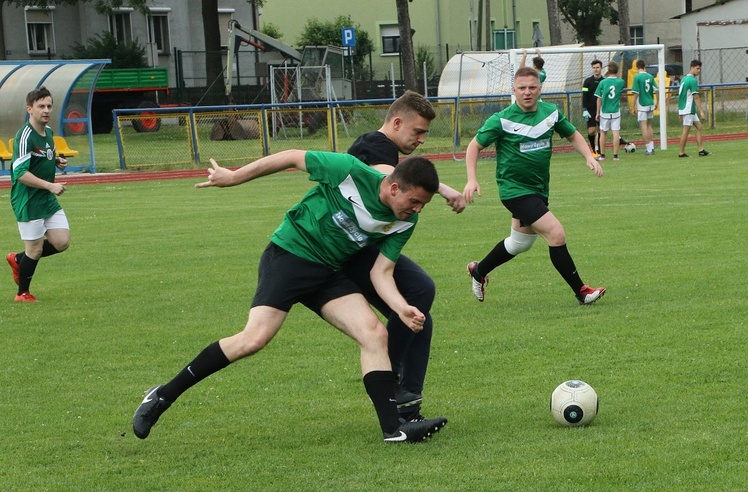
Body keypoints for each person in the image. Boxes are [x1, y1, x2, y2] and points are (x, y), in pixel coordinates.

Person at [132, 150, 448, 443]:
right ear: (394, 188)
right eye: (415, 201)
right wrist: (233, 177)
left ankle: (394, 430)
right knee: (253, 340)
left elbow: (381, 272)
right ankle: (162, 395)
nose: (417, 209)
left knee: (374, 333)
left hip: (328, 272)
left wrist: (400, 307)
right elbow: (291, 157)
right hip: (289, 257)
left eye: (423, 205)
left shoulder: (405, 220)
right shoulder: (348, 171)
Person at [346, 90, 465, 421]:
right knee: (421, 290)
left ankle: (408, 405)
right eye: (418, 132)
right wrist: (441, 188)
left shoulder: (383, 148)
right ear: (397, 123)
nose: (422, 140)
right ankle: (391, 377)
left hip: (366, 246)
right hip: (348, 249)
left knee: (417, 318)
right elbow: (393, 177)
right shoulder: (373, 144)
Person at [463, 67, 606, 306]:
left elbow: (573, 136)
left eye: (532, 87)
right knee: (556, 233)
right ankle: (582, 292)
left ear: (540, 89)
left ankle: (479, 270)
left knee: (519, 243)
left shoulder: (551, 112)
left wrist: (589, 156)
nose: (527, 92)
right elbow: (474, 146)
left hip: (538, 189)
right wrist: (471, 178)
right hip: (514, 191)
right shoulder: (501, 119)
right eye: (522, 88)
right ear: (514, 91)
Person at [6, 86, 69, 302]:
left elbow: (44, 155)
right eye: (41, 106)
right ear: (29, 109)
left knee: (62, 241)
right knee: (34, 249)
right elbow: (20, 173)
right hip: (28, 199)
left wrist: (57, 161)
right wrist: (51, 186)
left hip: (45, 197)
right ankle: (22, 293)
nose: (46, 110)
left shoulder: (48, 132)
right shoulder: (25, 135)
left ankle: (18, 259)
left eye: (49, 106)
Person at [677, 59, 710, 158]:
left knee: (699, 127)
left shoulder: (684, 79)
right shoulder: (692, 80)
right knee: (686, 131)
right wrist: (701, 111)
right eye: (697, 68)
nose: (699, 71)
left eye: (700, 69)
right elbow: (696, 97)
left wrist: (680, 111)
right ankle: (681, 153)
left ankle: (701, 150)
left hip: (685, 108)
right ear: (691, 68)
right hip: (688, 109)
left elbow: (680, 95)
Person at [595, 61, 626, 162]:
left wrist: (597, 113)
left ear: (608, 70)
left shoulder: (603, 82)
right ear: (617, 70)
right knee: (616, 132)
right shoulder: (621, 82)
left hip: (605, 111)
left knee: (603, 133)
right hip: (616, 111)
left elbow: (599, 99)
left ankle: (602, 155)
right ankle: (615, 156)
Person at [631, 59, 658, 156]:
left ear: (637, 67)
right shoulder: (650, 76)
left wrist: (633, 106)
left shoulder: (637, 77)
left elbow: (635, 93)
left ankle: (648, 149)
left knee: (643, 126)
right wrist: (657, 102)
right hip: (650, 103)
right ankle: (652, 147)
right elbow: (657, 90)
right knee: (649, 125)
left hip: (642, 104)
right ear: (644, 67)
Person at [581, 59, 604, 156]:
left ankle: (599, 151)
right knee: (591, 131)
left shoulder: (604, 81)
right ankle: (593, 150)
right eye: (594, 68)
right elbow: (584, 96)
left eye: (597, 67)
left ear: (601, 68)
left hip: (602, 110)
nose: (596, 70)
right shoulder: (587, 81)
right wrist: (584, 109)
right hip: (590, 110)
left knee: (601, 131)